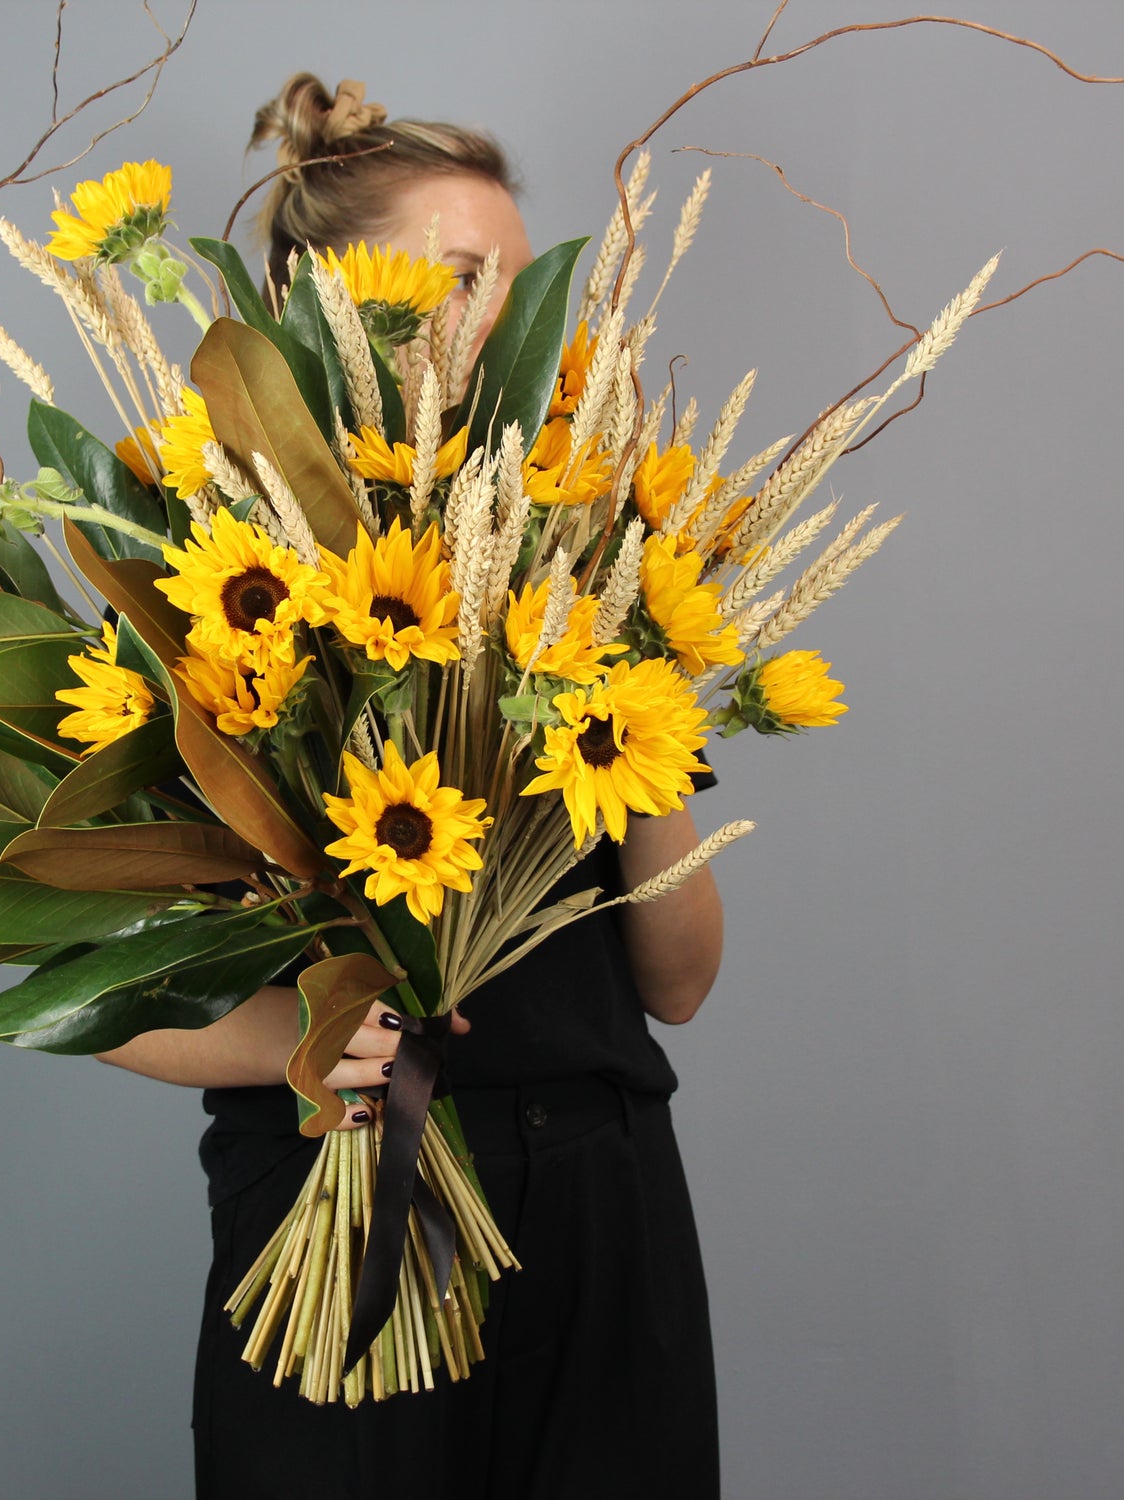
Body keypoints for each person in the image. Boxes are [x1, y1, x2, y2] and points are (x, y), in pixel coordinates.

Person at [97, 74, 723, 1500]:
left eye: (511, 277)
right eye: (456, 276)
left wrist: (638, 720)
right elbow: (102, 1002)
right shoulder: (212, 572)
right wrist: (302, 1049)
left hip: (602, 1195)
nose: (500, 315)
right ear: (324, 299)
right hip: (337, 1195)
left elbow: (680, 981)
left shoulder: (584, 557)